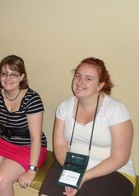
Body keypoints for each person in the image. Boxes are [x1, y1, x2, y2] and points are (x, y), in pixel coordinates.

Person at [39, 57, 136, 196]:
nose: (80, 82)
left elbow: (120, 158)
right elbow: (60, 145)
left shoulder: (115, 110)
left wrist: (83, 177)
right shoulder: (65, 107)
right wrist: (71, 171)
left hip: (114, 171)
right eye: (78, 75)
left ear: (100, 85)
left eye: (89, 78)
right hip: (71, 163)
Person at [0, 55, 48, 196]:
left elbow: (35, 138)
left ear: (22, 77)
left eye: (14, 74)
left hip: (27, 146)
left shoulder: (32, 99)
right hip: (3, 141)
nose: (8, 78)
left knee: (2, 179)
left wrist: (32, 170)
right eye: (4, 74)